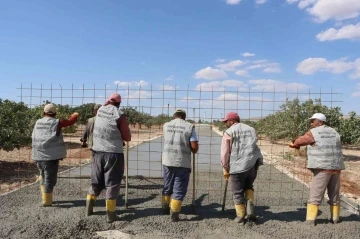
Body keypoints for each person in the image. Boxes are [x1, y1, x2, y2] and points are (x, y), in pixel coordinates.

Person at [289, 113, 344, 225]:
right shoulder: (334, 131)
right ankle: (335, 219)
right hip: (336, 167)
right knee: (334, 194)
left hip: (322, 167)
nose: (311, 123)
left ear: (320, 122)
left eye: (313, 120)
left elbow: (301, 141)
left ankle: (310, 220)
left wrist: (294, 143)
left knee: (316, 193)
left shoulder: (314, 132)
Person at [86, 93, 131, 223]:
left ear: (108, 101)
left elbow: (105, 105)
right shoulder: (119, 114)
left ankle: (89, 207)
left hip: (97, 152)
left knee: (96, 181)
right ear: (119, 103)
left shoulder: (100, 110)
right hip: (113, 153)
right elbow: (127, 137)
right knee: (113, 183)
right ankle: (111, 215)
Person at [32, 104, 79, 206]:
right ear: (55, 113)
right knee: (49, 178)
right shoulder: (57, 122)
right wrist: (75, 115)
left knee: (43, 175)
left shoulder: (38, 122)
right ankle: (46, 201)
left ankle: (45, 197)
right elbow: (70, 121)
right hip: (50, 157)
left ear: (43, 113)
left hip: (38, 155)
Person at [220, 112, 263, 224]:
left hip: (237, 166)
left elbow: (225, 152)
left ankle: (240, 216)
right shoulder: (251, 129)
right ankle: (250, 210)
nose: (225, 124)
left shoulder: (229, 132)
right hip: (253, 164)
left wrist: (225, 166)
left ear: (232, 121)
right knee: (249, 186)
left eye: (226, 121)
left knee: (237, 191)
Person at [162, 109, 199, 222]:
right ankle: (174, 214)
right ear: (184, 117)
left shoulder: (166, 125)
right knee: (179, 188)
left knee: (167, 185)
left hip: (167, 160)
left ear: (174, 116)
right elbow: (194, 148)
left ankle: (164, 208)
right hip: (182, 162)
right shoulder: (189, 126)